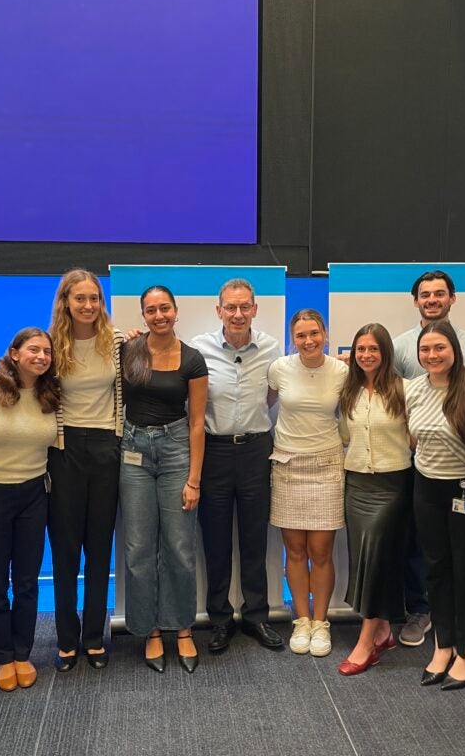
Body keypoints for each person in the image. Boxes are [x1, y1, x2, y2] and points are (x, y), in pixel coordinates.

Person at [391, 270, 465, 648]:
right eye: (425, 295)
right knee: (428, 558)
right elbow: (399, 410)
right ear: (415, 301)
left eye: (439, 293)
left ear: (452, 298)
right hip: (423, 473)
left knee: (464, 566)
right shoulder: (402, 352)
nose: (432, 299)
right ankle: (432, 625)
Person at [190, 278, 284, 653]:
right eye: (231, 307)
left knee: (253, 538)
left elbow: (274, 395)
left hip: (256, 451)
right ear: (219, 311)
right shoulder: (199, 348)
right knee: (214, 541)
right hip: (213, 452)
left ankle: (257, 616)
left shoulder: (272, 348)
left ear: (255, 309)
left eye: (245, 306)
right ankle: (219, 619)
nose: (238, 313)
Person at [120, 285, 208, 673]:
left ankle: (182, 628)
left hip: (176, 452)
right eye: (151, 310)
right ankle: (150, 630)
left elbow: (196, 424)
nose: (159, 315)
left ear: (176, 311)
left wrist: (195, 480)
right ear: (143, 315)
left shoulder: (192, 359)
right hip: (133, 450)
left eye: (165, 308)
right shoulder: (128, 351)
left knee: (179, 547)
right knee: (138, 548)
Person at [0, 328, 59, 691]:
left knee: (26, 581)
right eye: (33, 349)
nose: (41, 356)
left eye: (47, 351)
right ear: (15, 353)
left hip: (34, 493)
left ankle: (23, 653)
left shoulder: (50, 393)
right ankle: (2, 657)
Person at [405, 320, 465, 690]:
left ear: (454, 349)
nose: (432, 355)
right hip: (426, 487)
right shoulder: (414, 389)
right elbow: (413, 439)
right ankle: (443, 644)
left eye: (439, 348)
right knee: (436, 568)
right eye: (425, 349)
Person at [47, 269, 125, 671]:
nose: (89, 305)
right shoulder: (51, 345)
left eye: (94, 298)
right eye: (80, 298)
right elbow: (21, 375)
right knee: (65, 552)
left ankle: (94, 637)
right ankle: (65, 639)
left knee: (99, 549)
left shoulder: (116, 343)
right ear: (66, 302)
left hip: (107, 448)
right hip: (64, 451)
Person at [268, 309, 348, 657]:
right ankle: (301, 621)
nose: (308, 341)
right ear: (293, 338)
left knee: (321, 552)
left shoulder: (342, 371)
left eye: (314, 333)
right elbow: (263, 405)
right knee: (295, 551)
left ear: (325, 333)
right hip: (287, 464)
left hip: (327, 465)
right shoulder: (279, 368)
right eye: (301, 335)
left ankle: (321, 622)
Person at [337, 323, 412, 676]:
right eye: (360, 349)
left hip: (393, 485)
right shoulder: (348, 391)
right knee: (361, 559)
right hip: (356, 484)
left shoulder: (405, 390)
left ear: (386, 353)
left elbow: (418, 437)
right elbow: (342, 435)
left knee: (377, 558)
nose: (366, 355)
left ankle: (366, 642)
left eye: (373, 349)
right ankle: (382, 630)